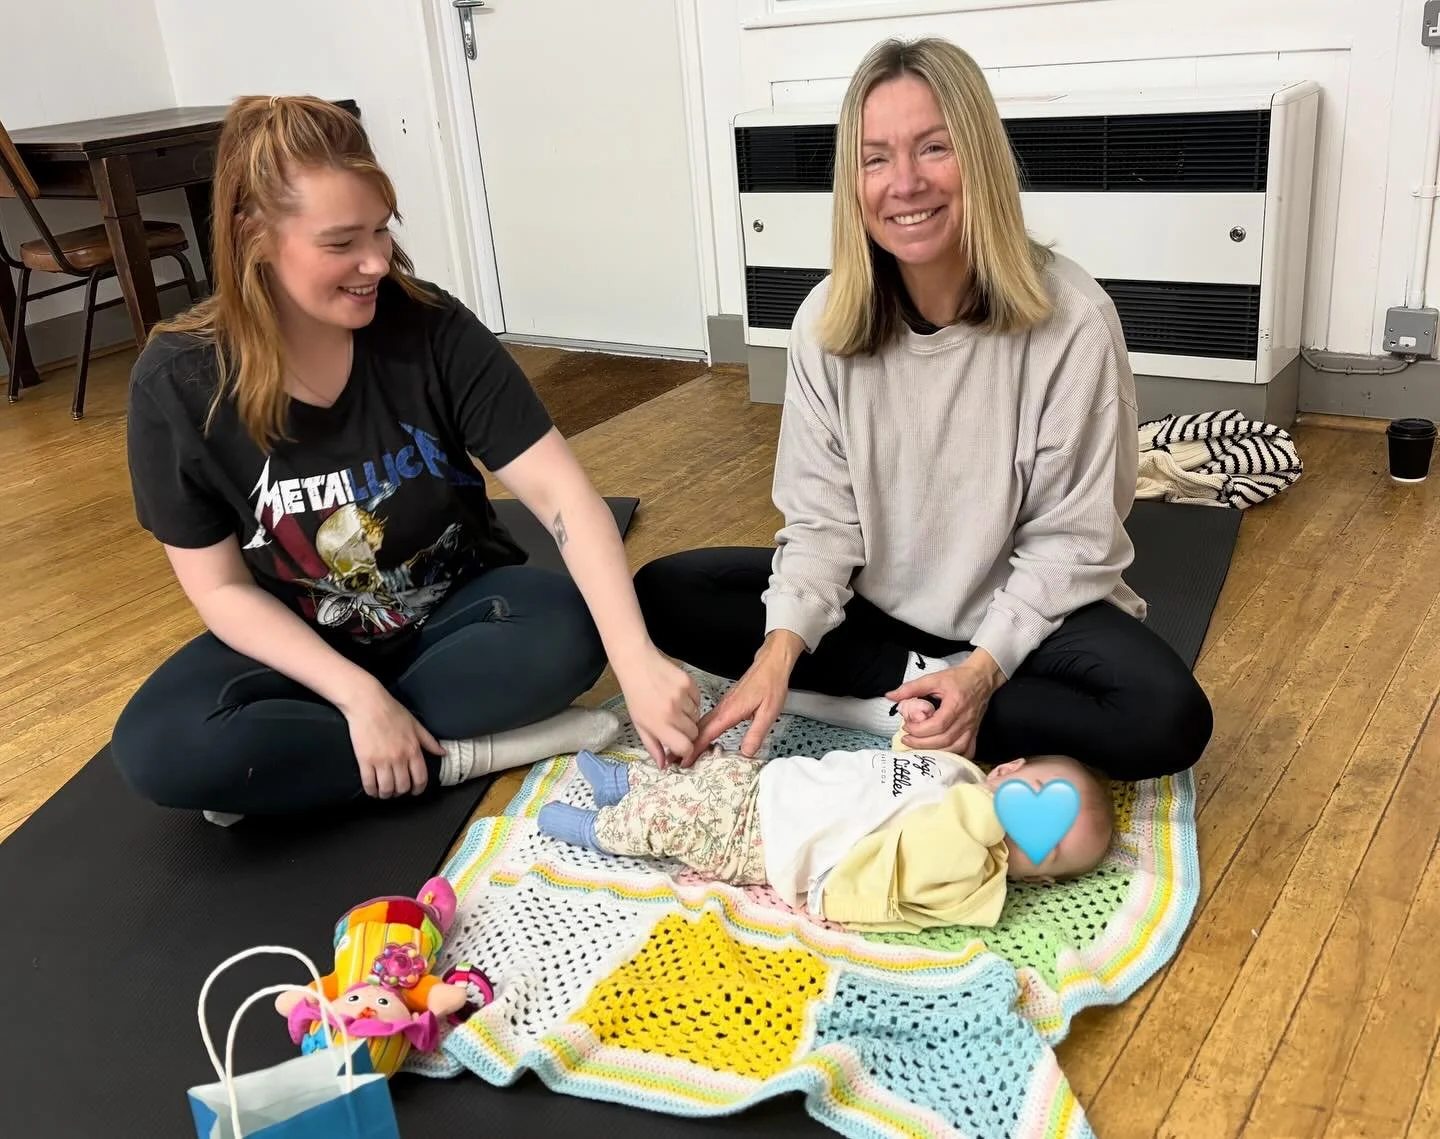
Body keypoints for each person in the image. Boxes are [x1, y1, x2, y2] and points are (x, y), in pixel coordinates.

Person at [633, 37, 1213, 782]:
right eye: (876, 159)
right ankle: (913, 698)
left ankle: (895, 705)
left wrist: (982, 670)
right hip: (877, 610)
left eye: (934, 148)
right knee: (665, 592)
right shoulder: (824, 322)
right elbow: (822, 525)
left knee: (1167, 715)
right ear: (854, 183)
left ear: (980, 159)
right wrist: (777, 656)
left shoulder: (1074, 320)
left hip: (1027, 623)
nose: (904, 183)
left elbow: (1071, 544)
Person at [112, 95, 700, 824]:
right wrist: (358, 696)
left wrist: (636, 661)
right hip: (304, 644)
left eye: (382, 230)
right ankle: (464, 754)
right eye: (341, 243)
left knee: (574, 633)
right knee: (161, 746)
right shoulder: (176, 381)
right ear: (253, 236)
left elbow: (561, 495)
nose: (375, 262)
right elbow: (222, 589)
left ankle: (301, 766)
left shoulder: (430, 326)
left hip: (454, 616)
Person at [535, 727, 1115, 929]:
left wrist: (988, 817)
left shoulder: (970, 874)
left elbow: (928, 852)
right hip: (778, 783)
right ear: (1008, 770)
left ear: (1035, 878)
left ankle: (596, 828)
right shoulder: (963, 773)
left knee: (673, 822)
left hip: (762, 840)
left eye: (1046, 847)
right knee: (705, 771)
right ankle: (623, 782)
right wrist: (911, 735)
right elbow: (903, 773)